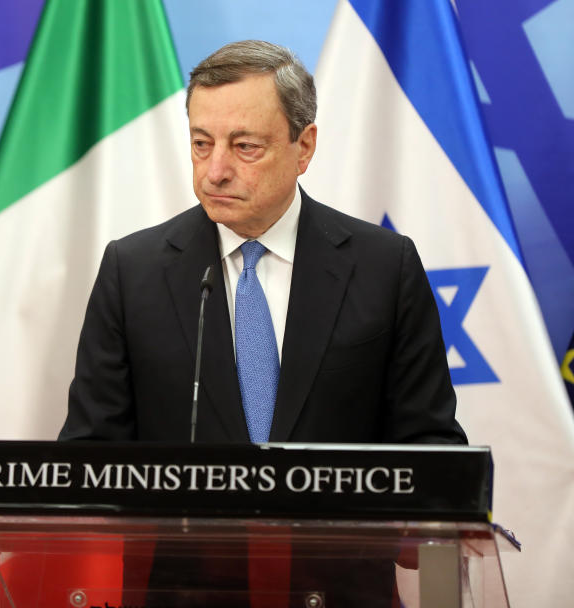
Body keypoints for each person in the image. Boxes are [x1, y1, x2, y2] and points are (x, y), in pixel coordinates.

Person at [58, 38, 466, 607]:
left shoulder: (383, 267)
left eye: (244, 146)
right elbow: (88, 456)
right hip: (184, 597)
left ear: (305, 147)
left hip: (339, 594)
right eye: (201, 145)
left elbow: (431, 449)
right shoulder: (134, 271)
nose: (215, 171)